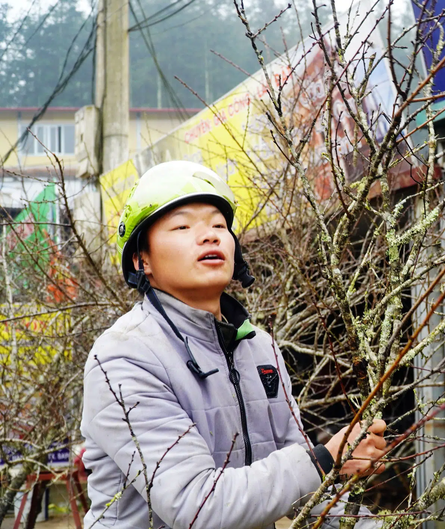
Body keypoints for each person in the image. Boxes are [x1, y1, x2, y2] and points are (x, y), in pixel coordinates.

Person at [81, 161, 387, 529]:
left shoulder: (261, 349)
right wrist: (324, 459)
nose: (209, 236)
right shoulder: (123, 356)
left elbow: (305, 488)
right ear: (140, 258)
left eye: (218, 225)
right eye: (182, 226)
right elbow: (194, 505)